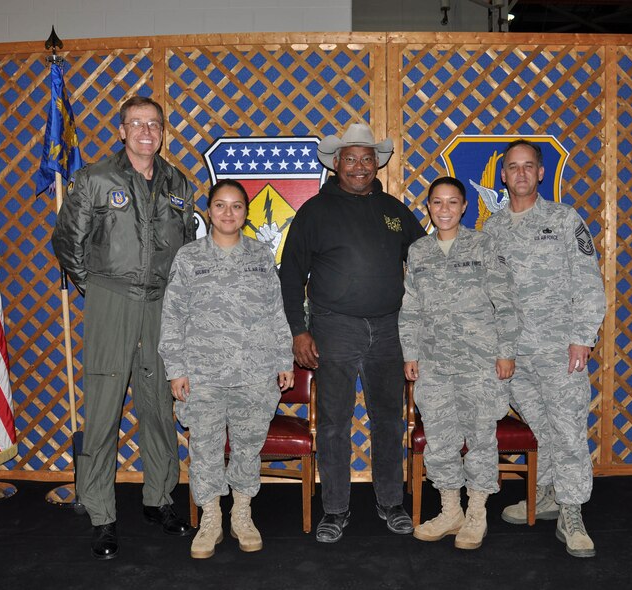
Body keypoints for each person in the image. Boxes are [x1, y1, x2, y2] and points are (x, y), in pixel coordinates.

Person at [51, 95, 196, 560]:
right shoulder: (95, 179)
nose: (146, 132)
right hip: (112, 299)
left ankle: (159, 498)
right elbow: (66, 239)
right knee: (103, 408)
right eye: (137, 123)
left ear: (162, 131)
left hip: (162, 304)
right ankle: (101, 513)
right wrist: (93, 287)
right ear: (122, 130)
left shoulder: (179, 182)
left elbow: (189, 246)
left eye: (154, 124)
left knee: (158, 403)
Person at [279, 123, 426, 543]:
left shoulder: (394, 210)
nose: (360, 166)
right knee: (333, 423)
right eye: (351, 158)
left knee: (387, 420)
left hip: (388, 329)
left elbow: (425, 262)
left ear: (376, 163)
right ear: (336, 163)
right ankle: (335, 509)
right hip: (333, 328)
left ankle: (390, 502)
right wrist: (298, 331)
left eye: (367, 158)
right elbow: (290, 276)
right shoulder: (314, 211)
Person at [482, 139, 606, 558]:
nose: (520, 173)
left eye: (528, 166)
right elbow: (489, 295)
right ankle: (549, 496)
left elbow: (589, 282)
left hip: (559, 349)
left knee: (568, 430)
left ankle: (573, 514)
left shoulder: (565, 219)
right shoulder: (493, 229)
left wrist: (582, 337)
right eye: (512, 167)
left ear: (539, 173)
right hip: (514, 355)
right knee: (543, 427)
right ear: (503, 175)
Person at [159, 179, 294, 559]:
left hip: (254, 372)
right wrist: (176, 369)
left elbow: (275, 313)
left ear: (246, 213)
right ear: (209, 210)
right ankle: (211, 518)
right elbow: (172, 317)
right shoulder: (189, 258)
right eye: (221, 205)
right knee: (204, 448)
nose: (228, 213)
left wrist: (284, 359)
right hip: (203, 375)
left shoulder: (260, 256)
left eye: (236, 206)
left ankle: (242, 514)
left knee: (248, 449)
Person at [399, 176, 519, 549]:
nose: (445, 209)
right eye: (438, 202)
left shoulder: (483, 245)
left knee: (481, 439)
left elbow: (506, 302)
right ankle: (450, 510)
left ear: (465, 207)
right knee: (440, 441)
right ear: (429, 207)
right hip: (434, 365)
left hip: (480, 363)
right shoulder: (418, 251)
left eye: (453, 202)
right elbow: (411, 309)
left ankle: (476, 513)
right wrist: (411, 354)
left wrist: (506, 352)